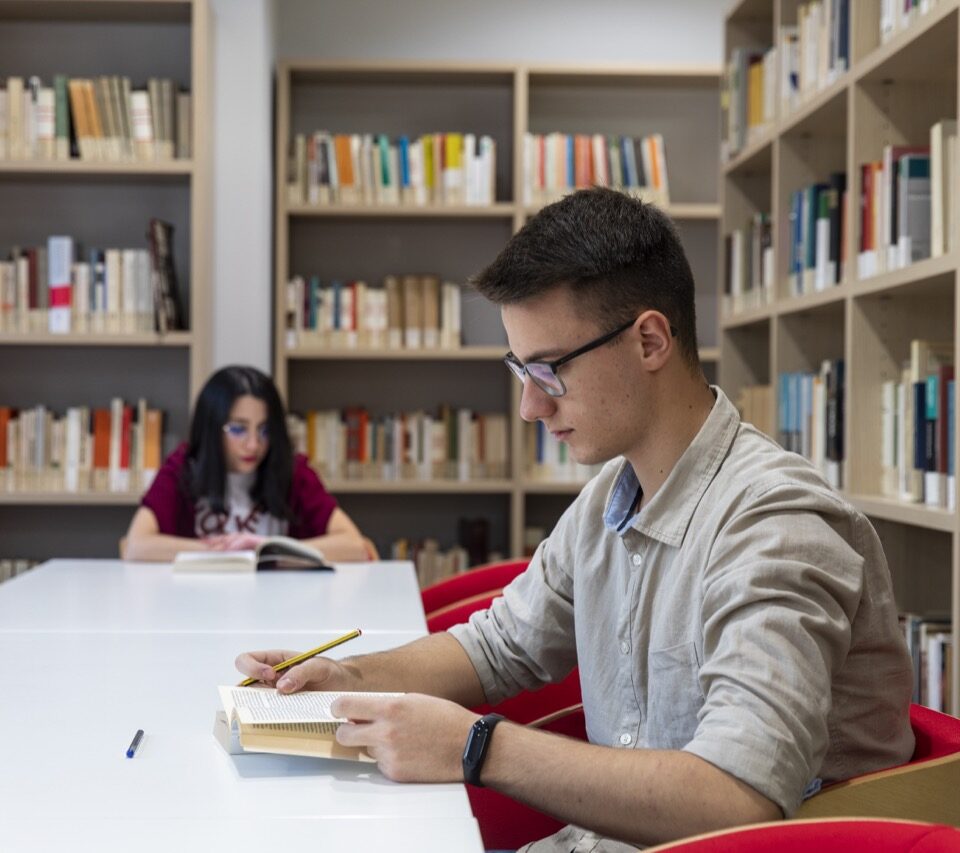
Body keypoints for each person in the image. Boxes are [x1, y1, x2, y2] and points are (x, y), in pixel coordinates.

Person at [235, 188, 914, 850]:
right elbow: (499, 647)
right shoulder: (609, 501)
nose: (530, 407)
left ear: (649, 341)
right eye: (519, 369)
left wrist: (478, 746)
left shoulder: (776, 524)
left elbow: (738, 798)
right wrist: (349, 677)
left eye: (548, 369)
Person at [123, 364, 370, 563]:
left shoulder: (293, 472)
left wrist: (269, 550)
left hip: (281, 609)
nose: (253, 444)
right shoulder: (183, 468)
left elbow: (353, 545)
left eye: (264, 430)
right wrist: (220, 553)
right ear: (211, 429)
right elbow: (136, 545)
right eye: (238, 429)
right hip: (197, 607)